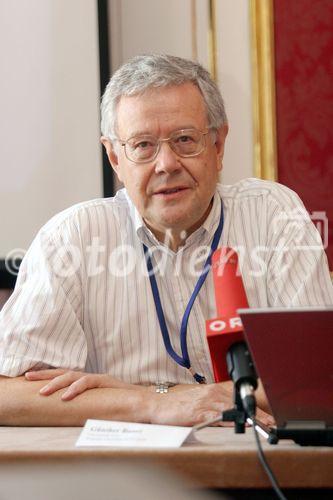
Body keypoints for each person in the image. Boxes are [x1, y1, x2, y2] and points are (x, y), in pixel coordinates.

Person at [0, 54, 332, 427]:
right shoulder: (71, 238)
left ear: (218, 145)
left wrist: (160, 395)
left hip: (261, 470)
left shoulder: (274, 216)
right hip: (128, 478)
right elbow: (6, 394)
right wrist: (150, 404)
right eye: (143, 145)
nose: (166, 163)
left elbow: (319, 383)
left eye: (185, 140)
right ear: (114, 158)